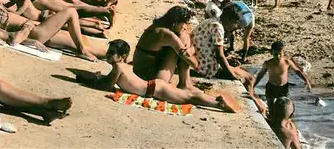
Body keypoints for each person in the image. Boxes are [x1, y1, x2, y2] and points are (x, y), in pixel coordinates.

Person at [94, 40, 238, 112]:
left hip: (156, 89)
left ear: (122, 56)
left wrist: (94, 80)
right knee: (188, 96)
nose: (107, 55)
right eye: (108, 51)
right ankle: (216, 100)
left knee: (190, 98)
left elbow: (108, 85)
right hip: (155, 86)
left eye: (111, 53)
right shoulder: (122, 65)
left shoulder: (118, 67)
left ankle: (219, 104)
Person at [190, 3, 265, 110]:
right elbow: (219, 56)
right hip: (207, 68)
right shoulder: (218, 28)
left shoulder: (211, 21)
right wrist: (232, 75)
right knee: (249, 78)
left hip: (200, 61)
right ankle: (253, 102)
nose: (235, 27)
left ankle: (254, 98)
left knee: (237, 68)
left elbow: (211, 49)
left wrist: (228, 60)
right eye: (235, 24)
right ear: (229, 20)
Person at [132, 6, 198, 90]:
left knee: (183, 35)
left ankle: (185, 83)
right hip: (148, 78)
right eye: (184, 23)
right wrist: (192, 50)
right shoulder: (168, 35)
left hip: (140, 70)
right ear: (175, 22)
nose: (185, 26)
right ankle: (185, 83)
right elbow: (194, 64)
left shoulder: (157, 27)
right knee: (183, 37)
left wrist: (189, 48)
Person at [253, 41, 311, 118]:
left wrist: (306, 81)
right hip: (271, 87)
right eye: (275, 54)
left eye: (280, 54)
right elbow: (260, 75)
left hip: (283, 87)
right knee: (271, 107)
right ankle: (272, 119)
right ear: (271, 53)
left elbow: (298, 71)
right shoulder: (268, 63)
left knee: (284, 107)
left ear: (283, 53)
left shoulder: (287, 62)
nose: (278, 56)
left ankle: (284, 121)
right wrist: (253, 86)